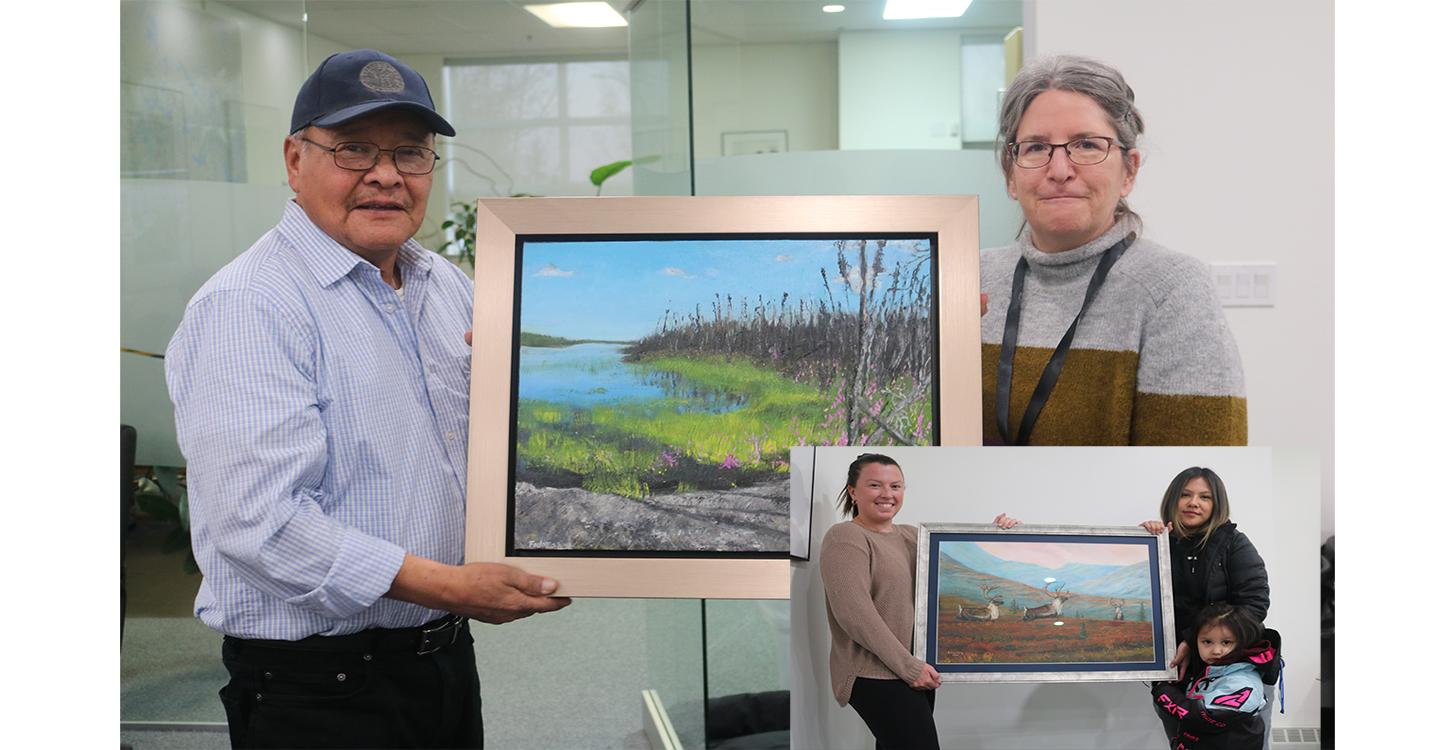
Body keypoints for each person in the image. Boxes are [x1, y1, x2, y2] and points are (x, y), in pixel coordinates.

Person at [165, 49, 570, 749]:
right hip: (320, 691)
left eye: (410, 152)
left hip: (441, 659)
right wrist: (452, 587)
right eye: (354, 148)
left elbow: (466, 452)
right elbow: (263, 526)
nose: (386, 175)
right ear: (295, 160)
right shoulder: (250, 306)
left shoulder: (445, 285)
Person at [980, 55, 1247, 445]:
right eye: (1036, 147)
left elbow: (1198, 468)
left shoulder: (1172, 290)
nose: (1059, 170)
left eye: (1087, 145)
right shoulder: (969, 279)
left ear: (1129, 170)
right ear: (1010, 173)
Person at [819, 453, 1017, 750]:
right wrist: (909, 667)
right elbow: (855, 614)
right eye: (875, 485)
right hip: (874, 673)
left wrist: (1000, 534)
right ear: (853, 491)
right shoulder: (846, 537)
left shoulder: (913, 537)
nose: (887, 494)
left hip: (914, 669)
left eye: (895, 486)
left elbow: (956, 567)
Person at [1141, 467, 1273, 748]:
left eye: (1205, 497)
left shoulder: (1234, 543)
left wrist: (1194, 641)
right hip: (1176, 673)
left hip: (1233, 669)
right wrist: (1142, 542)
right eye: (1185, 495)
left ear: (1217, 504)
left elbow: (1255, 604)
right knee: (1183, 741)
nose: (1194, 503)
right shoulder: (1160, 542)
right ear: (1173, 499)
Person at [1151, 604, 1282, 750]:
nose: (1216, 651)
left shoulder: (1242, 681)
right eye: (1207, 642)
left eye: (1226, 642)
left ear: (1243, 641)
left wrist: (1163, 691)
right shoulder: (1214, 670)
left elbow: (1206, 717)